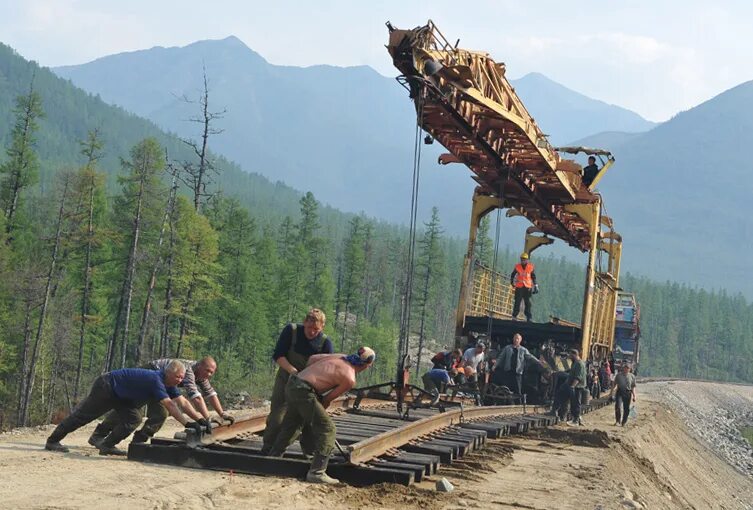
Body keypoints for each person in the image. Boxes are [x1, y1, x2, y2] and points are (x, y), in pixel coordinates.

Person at [45, 360, 204, 455]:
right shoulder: (156, 380)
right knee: (83, 416)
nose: (180, 380)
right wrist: (186, 423)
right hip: (107, 387)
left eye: (182, 378)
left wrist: (200, 420)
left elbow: (182, 401)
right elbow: (169, 404)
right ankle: (52, 441)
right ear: (168, 373)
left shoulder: (169, 383)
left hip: (121, 395)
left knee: (134, 418)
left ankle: (107, 446)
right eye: (178, 377)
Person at [268, 347, 375, 484]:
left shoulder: (340, 356)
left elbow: (312, 358)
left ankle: (273, 458)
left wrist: (309, 376)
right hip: (304, 391)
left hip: (293, 383)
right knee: (327, 428)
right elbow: (327, 399)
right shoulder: (350, 378)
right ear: (368, 365)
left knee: (294, 423)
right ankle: (317, 472)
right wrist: (319, 403)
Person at [90, 356, 229, 446]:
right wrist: (206, 419)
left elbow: (210, 394)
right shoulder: (188, 371)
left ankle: (138, 441)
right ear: (199, 366)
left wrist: (222, 414)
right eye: (208, 371)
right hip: (152, 375)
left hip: (166, 382)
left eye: (212, 372)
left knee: (160, 414)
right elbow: (196, 398)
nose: (209, 375)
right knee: (132, 406)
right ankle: (99, 435)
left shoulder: (202, 377)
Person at [261, 309, 334, 455]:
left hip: (309, 386)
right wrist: (294, 372)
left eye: (316, 329)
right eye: (309, 327)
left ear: (322, 327)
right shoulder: (291, 331)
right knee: (277, 417)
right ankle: (267, 448)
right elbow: (278, 355)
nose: (312, 332)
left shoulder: (325, 343)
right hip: (285, 377)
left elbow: (327, 369)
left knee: (303, 421)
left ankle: (307, 453)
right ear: (304, 322)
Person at [510, 253, 537, 322]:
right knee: (517, 302)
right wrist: (512, 282)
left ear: (527, 260)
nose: (523, 261)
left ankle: (529, 317)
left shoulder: (530, 267)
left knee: (527, 303)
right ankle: (514, 316)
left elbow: (533, 277)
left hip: (527, 287)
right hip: (519, 287)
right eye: (522, 259)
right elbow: (513, 274)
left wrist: (536, 285)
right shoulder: (517, 266)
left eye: (524, 259)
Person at [565, 349, 588, 426]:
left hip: (578, 387)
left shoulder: (579, 364)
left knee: (576, 403)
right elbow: (572, 371)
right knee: (574, 403)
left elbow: (578, 377)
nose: (570, 357)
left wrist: (572, 386)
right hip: (575, 387)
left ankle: (576, 420)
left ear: (575, 355)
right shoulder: (575, 363)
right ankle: (578, 419)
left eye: (571, 355)